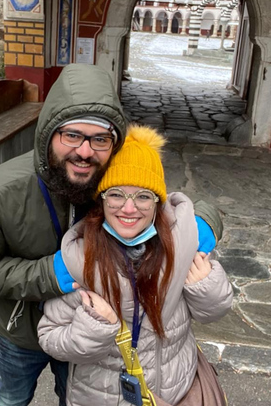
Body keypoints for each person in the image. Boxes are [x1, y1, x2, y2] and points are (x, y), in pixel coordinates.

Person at [0, 64, 222, 406]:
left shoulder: (110, 175)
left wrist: (200, 227)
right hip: (19, 333)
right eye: (72, 135)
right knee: (10, 399)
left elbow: (158, 199)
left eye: (99, 139)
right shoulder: (0, 191)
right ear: (48, 134)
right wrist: (51, 274)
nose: (85, 151)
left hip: (91, 334)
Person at [37, 125, 233, 406]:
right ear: (101, 200)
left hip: (176, 393)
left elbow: (213, 312)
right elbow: (51, 338)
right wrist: (94, 328)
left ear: (158, 202)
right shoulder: (80, 257)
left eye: (143, 196)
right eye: (116, 194)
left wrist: (205, 285)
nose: (129, 209)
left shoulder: (181, 245)